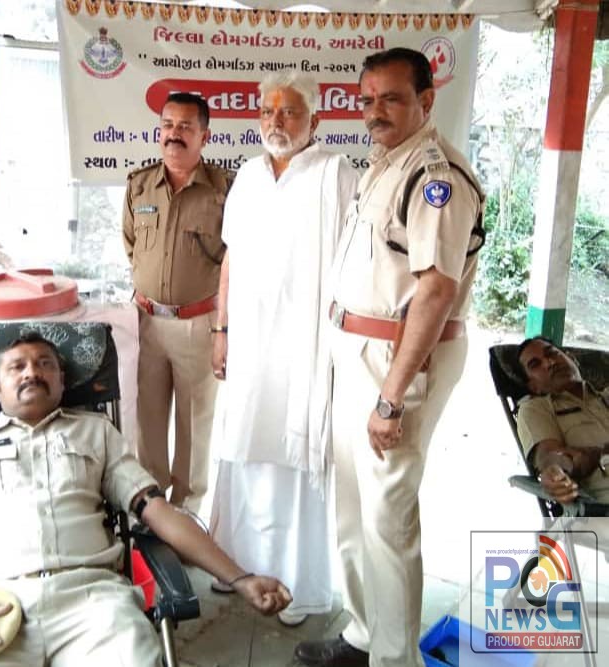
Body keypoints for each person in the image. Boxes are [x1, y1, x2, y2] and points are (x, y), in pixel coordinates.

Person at [0, 333, 291, 666]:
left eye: (45, 364)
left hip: (94, 606)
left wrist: (240, 579)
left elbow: (159, 512)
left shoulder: (96, 433)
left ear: (62, 383)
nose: (32, 372)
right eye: (17, 366)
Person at [296, 48, 484, 667]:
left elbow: (435, 292)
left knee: (387, 517)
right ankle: (364, 635)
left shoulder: (435, 178)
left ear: (426, 101)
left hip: (397, 358)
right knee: (353, 506)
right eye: (367, 99)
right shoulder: (387, 162)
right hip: (360, 349)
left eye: (392, 99)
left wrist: (391, 398)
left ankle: (395, 658)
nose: (374, 111)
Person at [209, 70, 359, 627]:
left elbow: (353, 263)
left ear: (315, 120)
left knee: (295, 455)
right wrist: (222, 330)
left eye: (290, 111)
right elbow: (230, 256)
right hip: (249, 345)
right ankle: (237, 568)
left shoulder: (335, 173)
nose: (276, 121)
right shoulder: (248, 176)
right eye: (267, 111)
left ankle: (297, 584)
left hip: (306, 347)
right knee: (244, 445)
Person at [122, 92, 234, 514]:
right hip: (146, 323)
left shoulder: (225, 190)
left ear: (205, 135)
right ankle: (151, 513)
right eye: (168, 125)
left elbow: (234, 262)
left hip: (198, 325)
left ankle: (187, 515)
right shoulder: (139, 185)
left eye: (186, 127)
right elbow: (132, 247)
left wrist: (223, 329)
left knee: (194, 428)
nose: (174, 135)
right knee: (147, 425)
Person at [516, 336, 609, 507]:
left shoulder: (605, 396)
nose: (550, 363)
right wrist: (554, 470)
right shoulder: (536, 408)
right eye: (536, 364)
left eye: (552, 353)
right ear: (533, 386)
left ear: (572, 358)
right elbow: (548, 455)